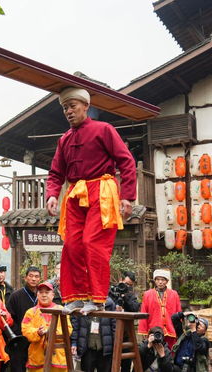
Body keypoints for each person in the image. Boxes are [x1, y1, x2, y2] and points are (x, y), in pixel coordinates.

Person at [46, 87, 136, 314]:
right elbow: (56, 173)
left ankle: (96, 299)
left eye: (72, 106)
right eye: (65, 108)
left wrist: (127, 196)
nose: (68, 111)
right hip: (75, 193)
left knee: (92, 243)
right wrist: (52, 195)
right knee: (72, 245)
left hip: (102, 190)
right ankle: (76, 297)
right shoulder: (64, 140)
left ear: (86, 106)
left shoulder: (104, 129)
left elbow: (126, 162)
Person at [22, 281, 72, 371]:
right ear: (37, 295)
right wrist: (38, 332)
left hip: (58, 359)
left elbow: (68, 329)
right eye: (41, 292)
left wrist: (52, 332)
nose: (44, 295)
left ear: (53, 295)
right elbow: (25, 331)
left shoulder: (61, 310)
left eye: (47, 292)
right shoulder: (30, 312)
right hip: (37, 359)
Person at [7, 266, 42, 372]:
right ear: (25, 278)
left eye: (36, 276)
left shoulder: (43, 296)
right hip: (20, 339)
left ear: (40, 279)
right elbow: (9, 317)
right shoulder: (15, 296)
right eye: (31, 276)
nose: (33, 279)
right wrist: (17, 334)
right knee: (18, 367)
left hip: (39, 339)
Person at [138, 270, 181, 350]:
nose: (160, 282)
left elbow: (178, 312)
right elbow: (144, 313)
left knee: (169, 353)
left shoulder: (174, 294)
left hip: (170, 330)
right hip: (153, 330)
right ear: (155, 281)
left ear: (167, 281)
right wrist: (144, 331)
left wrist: (179, 330)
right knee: (152, 353)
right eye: (158, 279)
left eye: (163, 280)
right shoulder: (147, 294)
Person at [70, 297, 116, 372]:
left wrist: (116, 346)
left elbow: (115, 326)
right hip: (87, 348)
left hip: (105, 349)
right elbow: (75, 326)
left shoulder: (109, 304)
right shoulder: (80, 303)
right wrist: (74, 342)